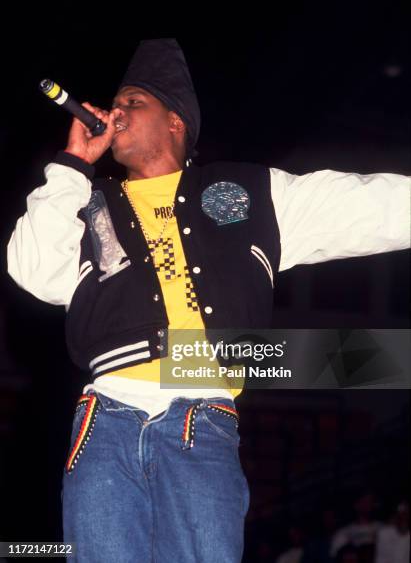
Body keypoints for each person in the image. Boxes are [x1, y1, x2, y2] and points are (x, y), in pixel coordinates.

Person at [7, 39, 410, 563]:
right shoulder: (87, 201)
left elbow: (372, 205)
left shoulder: (251, 192)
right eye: (117, 102)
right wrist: (72, 164)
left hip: (201, 413)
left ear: (175, 123)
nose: (116, 111)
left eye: (134, 102)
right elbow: (32, 270)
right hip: (104, 415)